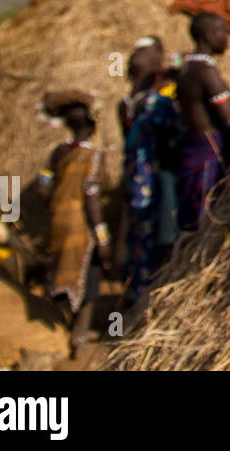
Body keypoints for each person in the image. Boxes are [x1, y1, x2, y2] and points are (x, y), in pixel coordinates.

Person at [36, 89, 109, 358]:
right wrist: (102, 236)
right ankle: (79, 336)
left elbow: (43, 185)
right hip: (82, 228)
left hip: (59, 222)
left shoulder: (58, 152)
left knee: (61, 271)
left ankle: (61, 328)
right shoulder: (92, 156)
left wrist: (55, 207)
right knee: (88, 278)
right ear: (92, 125)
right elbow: (91, 196)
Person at [175, 12, 230, 231]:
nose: (227, 39)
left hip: (194, 150)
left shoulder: (186, 69)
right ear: (210, 35)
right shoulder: (206, 72)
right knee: (207, 220)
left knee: (193, 219)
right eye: (224, 33)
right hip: (210, 155)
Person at [121, 42, 185, 303]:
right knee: (164, 235)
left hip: (136, 175)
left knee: (140, 232)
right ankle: (154, 294)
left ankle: (135, 288)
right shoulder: (156, 102)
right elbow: (176, 136)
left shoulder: (127, 102)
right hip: (158, 175)